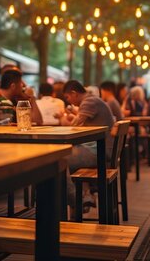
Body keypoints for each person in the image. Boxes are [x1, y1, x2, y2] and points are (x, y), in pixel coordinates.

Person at [59, 80, 115, 211]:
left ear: (74, 93)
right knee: (65, 156)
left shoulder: (89, 102)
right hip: (99, 148)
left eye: (68, 97)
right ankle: (85, 195)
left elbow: (75, 127)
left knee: (60, 160)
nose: (69, 101)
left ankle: (76, 200)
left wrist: (63, 120)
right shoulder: (92, 100)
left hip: (100, 151)